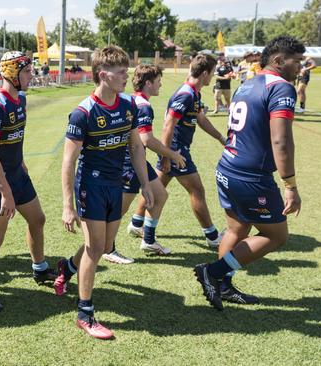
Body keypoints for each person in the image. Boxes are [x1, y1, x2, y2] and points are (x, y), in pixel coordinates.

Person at [195, 36, 305, 311]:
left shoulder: (248, 84)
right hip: (251, 176)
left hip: (228, 166)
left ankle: (222, 285)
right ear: (279, 60)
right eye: (297, 61)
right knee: (276, 235)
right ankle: (215, 273)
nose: (300, 67)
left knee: (237, 228)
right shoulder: (282, 88)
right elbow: (281, 141)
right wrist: (289, 185)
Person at [57, 45, 154, 339]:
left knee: (104, 244)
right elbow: (69, 160)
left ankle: (68, 266)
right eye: (121, 72)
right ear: (103, 75)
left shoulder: (128, 106)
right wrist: (67, 204)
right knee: (95, 248)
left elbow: (136, 146)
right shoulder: (83, 113)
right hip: (91, 186)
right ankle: (85, 314)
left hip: (117, 184)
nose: (127, 76)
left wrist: (146, 184)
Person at [0, 51, 57, 312]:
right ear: (11, 73)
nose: (31, 75)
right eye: (26, 72)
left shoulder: (20, 100)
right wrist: (5, 193)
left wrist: (21, 165)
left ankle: (39, 269)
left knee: (38, 219)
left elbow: (16, 139)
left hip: (17, 174)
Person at [131, 54, 226, 249]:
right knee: (197, 190)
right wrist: (167, 155)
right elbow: (168, 125)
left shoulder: (194, 93)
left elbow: (201, 119)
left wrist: (220, 137)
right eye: (213, 72)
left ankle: (136, 222)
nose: (213, 76)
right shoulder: (186, 94)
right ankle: (212, 236)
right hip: (177, 151)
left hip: (173, 150)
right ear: (205, 73)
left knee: (157, 187)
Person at [102, 64, 186, 264]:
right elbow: (146, 139)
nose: (160, 85)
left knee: (160, 195)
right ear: (148, 83)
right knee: (118, 211)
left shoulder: (133, 100)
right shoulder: (143, 105)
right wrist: (172, 155)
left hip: (136, 159)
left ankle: (148, 240)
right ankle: (108, 248)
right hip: (129, 162)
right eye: (158, 81)